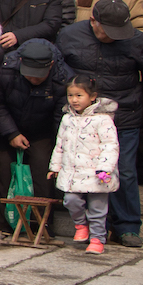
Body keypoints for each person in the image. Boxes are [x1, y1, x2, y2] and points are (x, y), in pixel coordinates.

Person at [56, 0, 143, 247]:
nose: (113, 36)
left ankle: (128, 227)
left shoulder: (136, 40)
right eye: (108, 30)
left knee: (125, 170)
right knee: (87, 172)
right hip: (83, 120)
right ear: (93, 21)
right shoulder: (69, 36)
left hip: (124, 115)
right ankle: (96, 227)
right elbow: (61, 74)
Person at [0, 38, 70, 236]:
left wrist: (60, 146)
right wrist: (12, 133)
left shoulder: (62, 78)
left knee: (42, 169)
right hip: (8, 127)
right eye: (30, 75)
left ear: (50, 65)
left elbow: (60, 117)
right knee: (5, 166)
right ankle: (9, 223)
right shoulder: (6, 71)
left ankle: (42, 224)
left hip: (42, 131)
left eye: (39, 76)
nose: (33, 79)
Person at [50, 76, 119, 254]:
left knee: (97, 208)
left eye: (79, 95)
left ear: (92, 96)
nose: (74, 100)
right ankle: (81, 225)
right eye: (70, 95)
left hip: (97, 172)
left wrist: (105, 168)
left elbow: (110, 145)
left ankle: (97, 239)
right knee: (70, 200)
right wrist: (55, 167)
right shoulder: (67, 119)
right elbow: (60, 144)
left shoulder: (103, 120)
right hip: (73, 171)